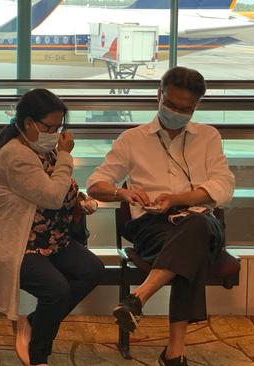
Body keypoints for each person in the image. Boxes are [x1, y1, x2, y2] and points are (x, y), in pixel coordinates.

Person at [86, 67, 235, 366]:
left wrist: (177, 199)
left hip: (201, 220)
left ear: (196, 107)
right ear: (159, 96)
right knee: (191, 251)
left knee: (196, 226)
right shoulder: (132, 139)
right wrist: (125, 194)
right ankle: (173, 353)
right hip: (153, 226)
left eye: (186, 109)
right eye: (172, 104)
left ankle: (138, 299)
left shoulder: (208, 137)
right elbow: (96, 184)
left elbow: (224, 185)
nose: (177, 112)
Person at [0, 89, 103, 366]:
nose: (55, 134)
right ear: (29, 123)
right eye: (49, 127)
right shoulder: (15, 155)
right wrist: (67, 157)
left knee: (92, 270)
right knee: (56, 291)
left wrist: (80, 200)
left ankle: (35, 322)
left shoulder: (44, 150)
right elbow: (52, 196)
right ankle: (38, 353)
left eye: (59, 128)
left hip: (48, 239)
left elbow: (61, 188)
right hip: (15, 242)